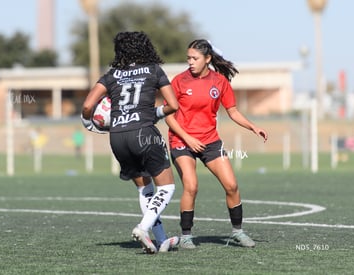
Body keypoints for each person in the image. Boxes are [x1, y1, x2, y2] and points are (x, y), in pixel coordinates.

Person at [81, 31, 180, 254]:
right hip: (144, 133)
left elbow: (88, 106)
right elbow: (173, 105)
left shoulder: (111, 75)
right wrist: (153, 113)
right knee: (167, 187)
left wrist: (90, 124)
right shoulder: (154, 70)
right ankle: (143, 228)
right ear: (146, 48)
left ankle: (161, 240)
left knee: (145, 187)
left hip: (118, 137)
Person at [165, 39, 268, 249]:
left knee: (232, 185)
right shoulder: (179, 81)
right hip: (181, 140)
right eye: (188, 58)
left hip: (210, 140)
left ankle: (238, 232)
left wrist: (252, 127)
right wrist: (188, 138)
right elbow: (168, 116)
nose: (190, 62)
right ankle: (186, 236)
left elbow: (233, 111)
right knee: (191, 186)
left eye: (195, 58)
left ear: (207, 59)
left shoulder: (219, 82)